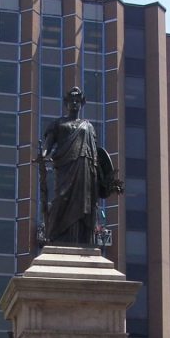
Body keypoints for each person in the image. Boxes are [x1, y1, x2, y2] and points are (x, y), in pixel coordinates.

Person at [38, 87, 120, 246]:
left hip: (86, 169)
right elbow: (48, 144)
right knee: (61, 198)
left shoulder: (88, 126)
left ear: (82, 103)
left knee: (84, 203)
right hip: (65, 167)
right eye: (71, 101)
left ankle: (83, 238)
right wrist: (43, 156)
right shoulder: (58, 124)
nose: (74, 103)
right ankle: (56, 235)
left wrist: (104, 178)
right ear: (66, 103)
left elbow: (96, 152)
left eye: (77, 101)